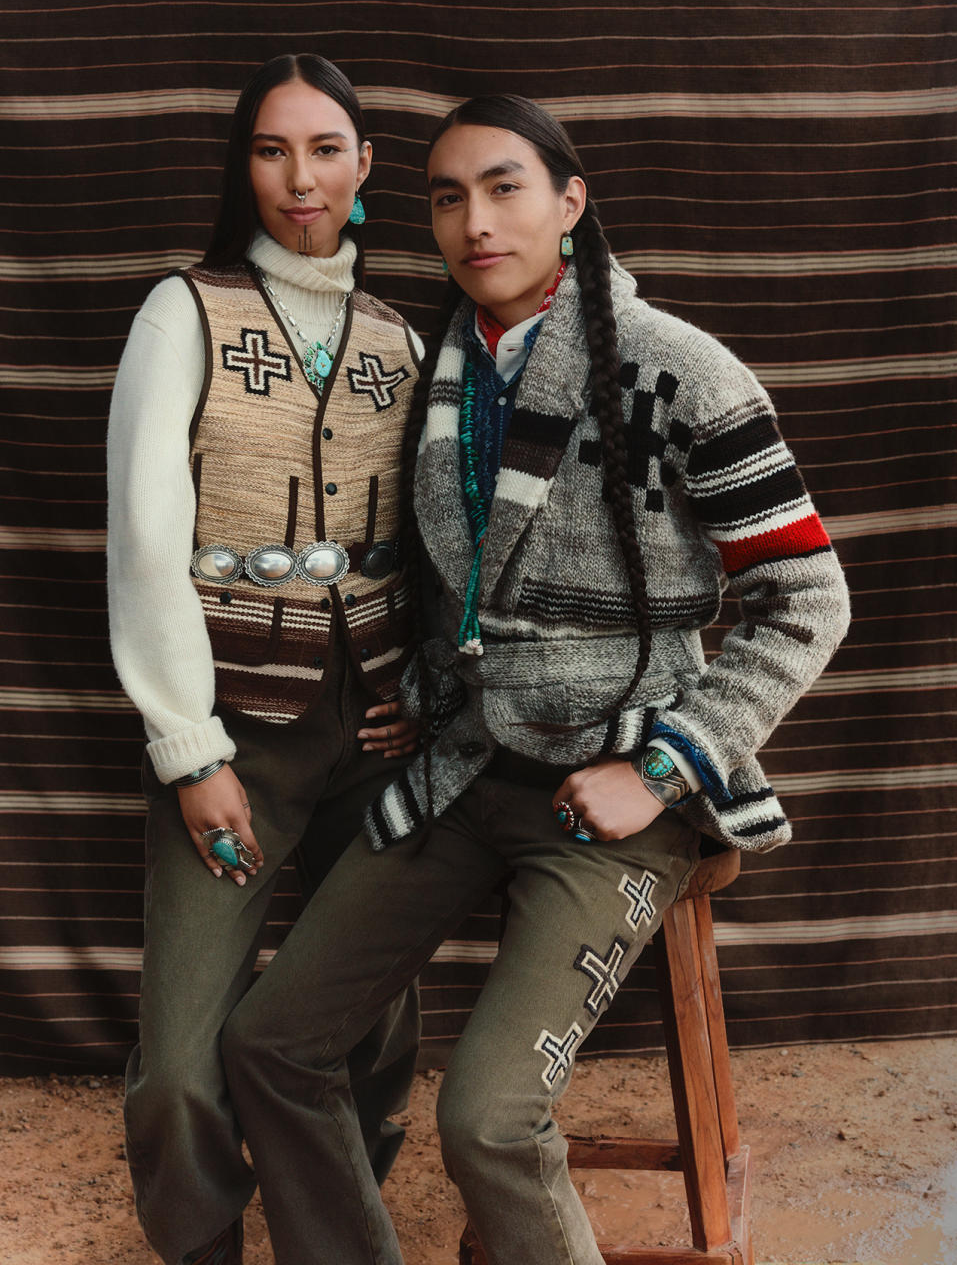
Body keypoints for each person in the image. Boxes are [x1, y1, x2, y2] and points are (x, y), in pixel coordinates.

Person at [221, 94, 851, 1265]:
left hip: (616, 792)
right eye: (447, 196)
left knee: (488, 1119)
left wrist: (663, 768)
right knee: (270, 1042)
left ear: (570, 202)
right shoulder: (440, 376)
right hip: (468, 765)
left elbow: (813, 598)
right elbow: (451, 584)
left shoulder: (682, 371)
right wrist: (417, 685)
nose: (474, 220)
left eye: (505, 186)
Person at [106, 53, 425, 1265]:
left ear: (366, 165)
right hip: (233, 725)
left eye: (328, 148)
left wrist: (426, 696)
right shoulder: (184, 309)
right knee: (183, 1062)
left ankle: (339, 1219)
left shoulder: (400, 334)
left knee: (374, 1019)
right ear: (242, 166)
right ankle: (202, 1247)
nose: (303, 178)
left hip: (378, 729)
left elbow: (443, 535)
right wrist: (189, 747)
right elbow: (143, 534)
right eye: (273, 149)